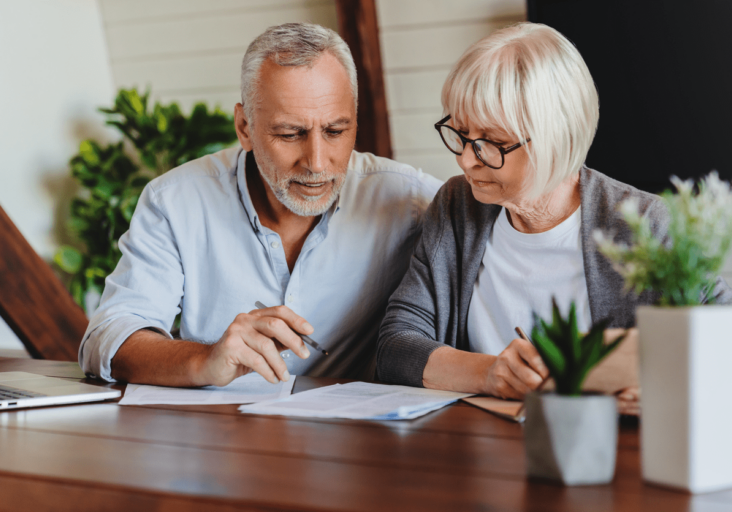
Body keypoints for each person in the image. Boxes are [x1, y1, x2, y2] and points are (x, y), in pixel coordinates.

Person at [376, 22, 732, 399]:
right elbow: (395, 346)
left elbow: (721, 343)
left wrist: (663, 383)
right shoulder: (455, 206)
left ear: (555, 140)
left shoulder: (647, 225)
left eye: (491, 142)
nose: (466, 159)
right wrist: (489, 373)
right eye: (462, 134)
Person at [79, 23, 441, 386]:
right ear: (244, 127)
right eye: (290, 134)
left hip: (355, 436)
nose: (316, 162)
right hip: (223, 434)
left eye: (335, 131)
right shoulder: (175, 201)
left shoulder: (409, 201)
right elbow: (107, 338)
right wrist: (205, 360)